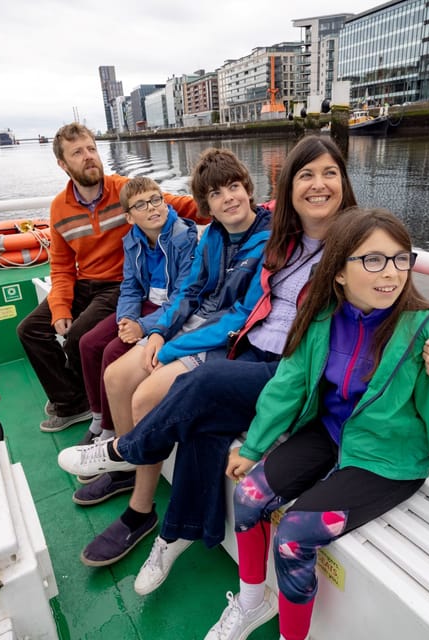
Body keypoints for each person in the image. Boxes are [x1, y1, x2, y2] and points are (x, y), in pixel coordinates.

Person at [58, 136, 429, 592]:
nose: (318, 185)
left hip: (304, 376)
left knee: (203, 381)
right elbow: (235, 253)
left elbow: (402, 296)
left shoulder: (356, 238)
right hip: (255, 356)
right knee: (201, 421)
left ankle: (127, 451)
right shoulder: (281, 238)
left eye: (329, 173)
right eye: (305, 175)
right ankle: (175, 535)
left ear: (344, 181)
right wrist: (167, 333)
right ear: (288, 188)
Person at [205, 208, 429, 640]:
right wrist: (252, 448)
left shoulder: (424, 334)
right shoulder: (320, 317)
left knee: (295, 534)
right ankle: (252, 601)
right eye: (373, 260)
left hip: (387, 459)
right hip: (331, 434)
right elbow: (286, 386)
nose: (392, 273)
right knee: (248, 497)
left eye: (401, 259)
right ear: (338, 271)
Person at [58, 147, 273, 566]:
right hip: (189, 330)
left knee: (144, 397)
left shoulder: (267, 240)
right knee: (117, 377)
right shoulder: (212, 235)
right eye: (215, 193)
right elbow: (190, 292)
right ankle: (126, 470)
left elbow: (243, 316)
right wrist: (157, 331)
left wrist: (170, 345)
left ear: (248, 189)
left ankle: (141, 511)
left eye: (233, 187)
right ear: (205, 203)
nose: (228, 198)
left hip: (224, 341)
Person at [16, 123, 199, 433]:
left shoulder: (124, 190)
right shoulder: (60, 208)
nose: (89, 157)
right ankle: (73, 402)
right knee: (29, 330)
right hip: (82, 283)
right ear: (63, 164)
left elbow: (177, 205)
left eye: (91, 149)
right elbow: (61, 266)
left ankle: (90, 400)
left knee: (79, 338)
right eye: (78, 152)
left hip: (118, 285)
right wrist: (60, 307)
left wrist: (238, 209)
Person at [71, 176, 199, 500]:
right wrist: (127, 318)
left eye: (156, 199)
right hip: (145, 307)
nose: (152, 208)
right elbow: (130, 286)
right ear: (129, 216)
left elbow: (184, 294)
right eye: (140, 204)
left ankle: (119, 445)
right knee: (88, 342)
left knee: (114, 352)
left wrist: (143, 326)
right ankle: (104, 424)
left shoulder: (184, 237)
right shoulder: (132, 240)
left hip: (168, 312)